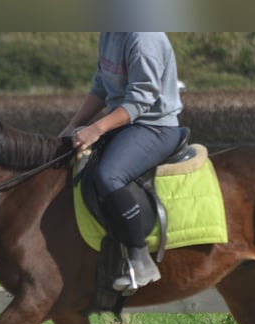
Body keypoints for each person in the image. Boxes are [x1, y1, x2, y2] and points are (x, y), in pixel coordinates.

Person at [60, 32, 183, 293]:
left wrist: (97, 129)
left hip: (154, 126)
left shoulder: (143, 37)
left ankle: (141, 259)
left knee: (108, 176)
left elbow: (141, 99)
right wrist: (72, 126)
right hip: (125, 125)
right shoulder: (109, 33)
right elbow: (101, 87)